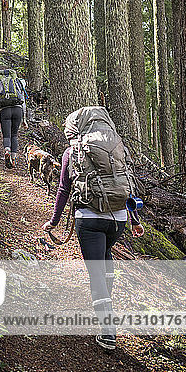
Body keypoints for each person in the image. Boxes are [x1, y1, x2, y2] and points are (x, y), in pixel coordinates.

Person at [42, 106, 144, 351]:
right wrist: (135, 220)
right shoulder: (117, 148)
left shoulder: (72, 152)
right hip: (118, 220)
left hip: (89, 219)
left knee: (96, 273)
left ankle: (108, 331)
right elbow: (125, 183)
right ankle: (106, 303)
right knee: (105, 259)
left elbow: (63, 190)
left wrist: (53, 222)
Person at [0, 69, 28, 169]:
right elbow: (23, 102)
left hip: (4, 111)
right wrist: (24, 119)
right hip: (18, 110)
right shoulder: (18, 83)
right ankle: (13, 159)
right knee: (14, 135)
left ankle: (7, 150)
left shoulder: (0, 84)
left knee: (6, 136)